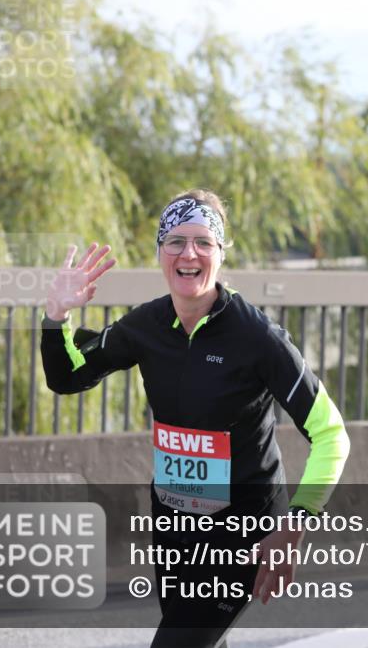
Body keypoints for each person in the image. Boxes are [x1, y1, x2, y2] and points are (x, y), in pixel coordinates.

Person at [41, 190, 350, 648]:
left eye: (204, 242)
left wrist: (295, 524)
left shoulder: (258, 337)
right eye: (176, 241)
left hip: (244, 529)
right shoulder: (146, 325)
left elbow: (331, 435)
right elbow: (68, 376)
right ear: (160, 253)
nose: (189, 254)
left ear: (221, 253)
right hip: (174, 523)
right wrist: (57, 316)